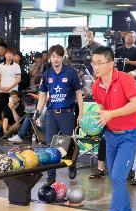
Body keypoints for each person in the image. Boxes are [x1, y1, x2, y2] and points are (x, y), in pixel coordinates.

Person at [91, 46, 136, 211]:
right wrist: (94, 122)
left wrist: (111, 113)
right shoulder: (96, 86)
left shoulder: (125, 79)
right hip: (111, 134)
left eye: (99, 63)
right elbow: (100, 108)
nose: (95, 66)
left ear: (111, 64)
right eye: (93, 63)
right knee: (115, 176)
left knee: (118, 176)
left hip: (130, 134)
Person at [35, 44, 83, 185]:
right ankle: (51, 176)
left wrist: (80, 113)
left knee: (68, 143)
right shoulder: (47, 74)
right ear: (50, 58)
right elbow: (43, 95)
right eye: (53, 57)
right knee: (50, 145)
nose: (56, 59)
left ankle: (71, 163)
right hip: (51, 114)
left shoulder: (70, 72)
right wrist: (38, 113)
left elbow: (79, 94)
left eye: (58, 56)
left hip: (67, 113)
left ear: (63, 57)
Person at [0, 48, 21, 119]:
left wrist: (9, 87)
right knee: (3, 109)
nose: (9, 55)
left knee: (12, 108)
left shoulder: (16, 66)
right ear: (5, 55)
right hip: (2, 91)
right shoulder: (0, 65)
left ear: (13, 56)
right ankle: (4, 128)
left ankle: (12, 127)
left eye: (11, 54)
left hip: (12, 92)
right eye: (7, 53)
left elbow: (18, 79)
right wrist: (0, 87)